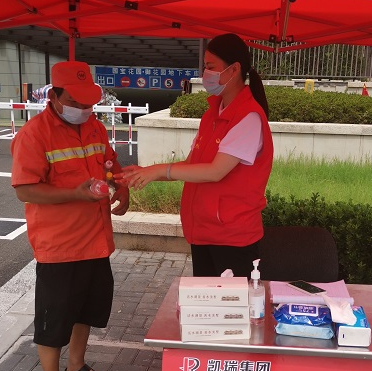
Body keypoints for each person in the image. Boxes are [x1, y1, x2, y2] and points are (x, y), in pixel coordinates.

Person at [11, 61, 129, 371]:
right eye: (75, 102)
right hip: (59, 245)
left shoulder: (94, 127)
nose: (83, 109)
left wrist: (122, 186)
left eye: (88, 102)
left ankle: (75, 366)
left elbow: (109, 164)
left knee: (86, 310)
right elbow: (25, 190)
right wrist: (75, 193)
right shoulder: (35, 134)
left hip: (95, 239)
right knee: (54, 319)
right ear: (55, 96)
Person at [116, 33, 273, 278]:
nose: (205, 73)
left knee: (229, 303)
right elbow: (192, 165)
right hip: (204, 231)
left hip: (233, 237)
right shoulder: (212, 115)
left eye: (211, 67)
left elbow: (215, 171)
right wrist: (146, 172)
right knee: (205, 301)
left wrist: (159, 170)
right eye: (204, 67)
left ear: (234, 69)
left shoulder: (248, 117)